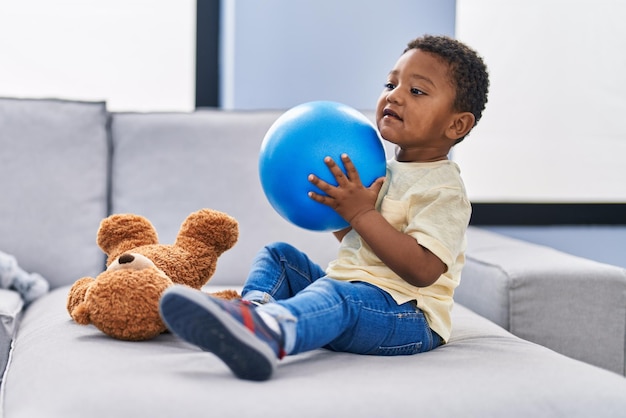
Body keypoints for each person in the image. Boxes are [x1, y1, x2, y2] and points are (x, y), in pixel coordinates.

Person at [159, 34, 490, 381]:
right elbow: (362, 243)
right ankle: (249, 315)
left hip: (407, 317)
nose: (394, 95)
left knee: (339, 296)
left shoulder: (444, 190)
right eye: (391, 83)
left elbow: (423, 270)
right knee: (280, 256)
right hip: (355, 293)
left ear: (457, 124)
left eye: (416, 91)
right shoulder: (380, 170)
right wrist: (339, 210)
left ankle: (270, 333)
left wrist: (360, 213)